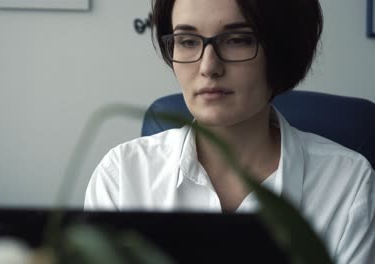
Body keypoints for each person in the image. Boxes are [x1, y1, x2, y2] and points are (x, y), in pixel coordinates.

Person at [85, 0, 375, 262]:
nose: (209, 66)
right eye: (187, 41)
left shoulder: (347, 184)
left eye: (237, 40)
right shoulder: (122, 175)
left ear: (282, 50)